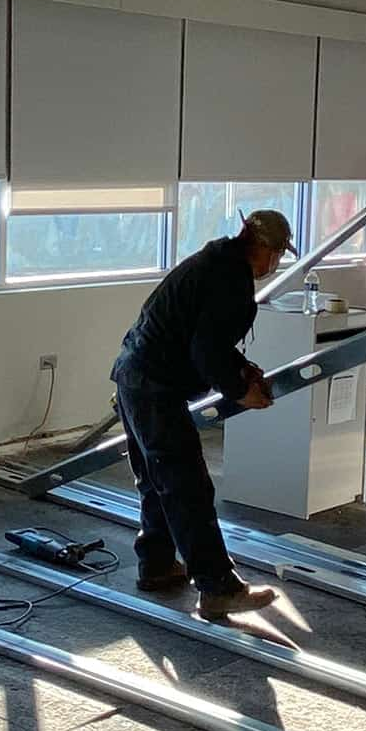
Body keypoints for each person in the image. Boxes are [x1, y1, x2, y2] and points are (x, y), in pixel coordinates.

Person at [109, 208, 293, 619]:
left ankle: (156, 565)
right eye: (278, 254)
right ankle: (217, 588)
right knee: (186, 484)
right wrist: (240, 390)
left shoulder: (215, 263)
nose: (275, 264)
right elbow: (205, 351)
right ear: (264, 248)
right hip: (153, 386)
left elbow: (202, 336)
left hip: (135, 377)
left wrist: (240, 369)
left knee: (160, 480)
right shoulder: (231, 280)